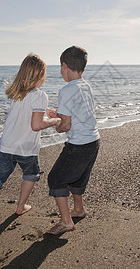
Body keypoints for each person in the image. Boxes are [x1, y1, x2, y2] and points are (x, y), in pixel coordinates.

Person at [0, 53, 61, 224]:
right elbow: (36, 125)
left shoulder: (16, 92)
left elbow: (26, 110)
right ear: (40, 75)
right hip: (26, 148)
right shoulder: (40, 95)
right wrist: (54, 120)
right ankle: (21, 206)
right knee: (30, 174)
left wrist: (45, 110)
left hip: (6, 146)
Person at [46, 46, 100, 235]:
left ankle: (66, 222)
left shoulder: (66, 90)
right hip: (93, 140)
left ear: (64, 66)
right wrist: (59, 114)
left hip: (78, 145)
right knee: (78, 178)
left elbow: (65, 126)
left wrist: (55, 122)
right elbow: (80, 112)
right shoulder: (86, 85)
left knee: (56, 179)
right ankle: (78, 209)